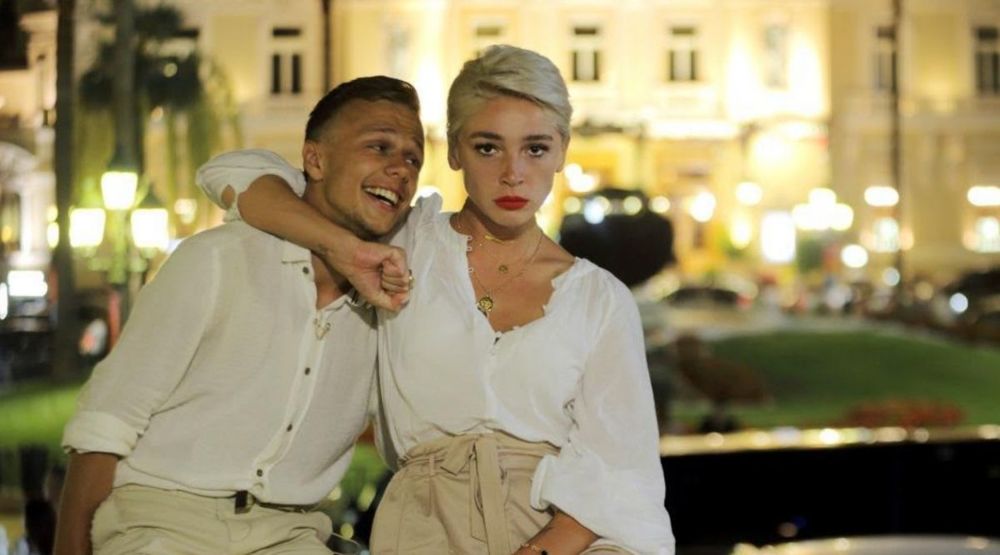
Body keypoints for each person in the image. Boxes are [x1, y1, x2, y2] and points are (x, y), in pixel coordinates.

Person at [198, 45, 675, 555]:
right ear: (453, 151)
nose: (513, 172)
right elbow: (232, 173)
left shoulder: (599, 299)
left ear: (561, 152)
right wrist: (343, 248)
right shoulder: (400, 240)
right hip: (423, 524)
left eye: (535, 149)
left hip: (563, 533)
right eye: (487, 147)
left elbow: (619, 468)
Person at [53, 75, 423, 555]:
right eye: (379, 146)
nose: (400, 169)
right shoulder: (218, 261)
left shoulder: (394, 298)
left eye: (413, 159)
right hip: (165, 523)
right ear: (315, 160)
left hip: (289, 535)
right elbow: (106, 423)